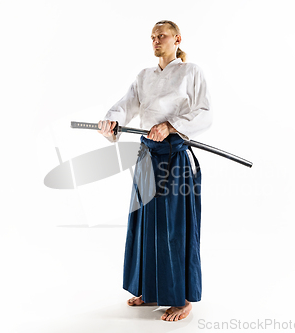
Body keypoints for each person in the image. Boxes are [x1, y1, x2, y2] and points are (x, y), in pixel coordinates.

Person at [97, 20, 212, 322]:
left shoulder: (191, 72)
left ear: (177, 39)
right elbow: (126, 105)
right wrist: (111, 121)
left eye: (162, 36)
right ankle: (150, 288)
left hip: (174, 156)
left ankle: (182, 298)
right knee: (146, 222)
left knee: (174, 226)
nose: (156, 40)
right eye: (152, 37)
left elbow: (205, 112)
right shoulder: (144, 76)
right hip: (147, 155)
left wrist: (171, 126)